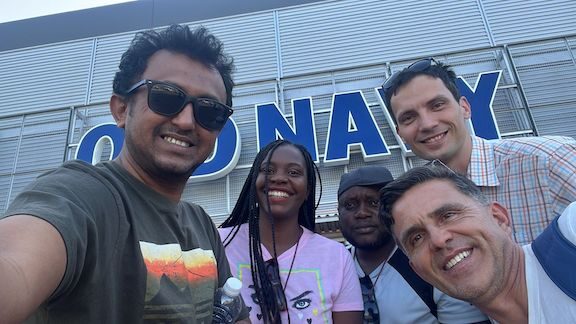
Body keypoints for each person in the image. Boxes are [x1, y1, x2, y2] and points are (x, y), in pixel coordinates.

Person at [0, 24, 250, 323]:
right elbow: (15, 267)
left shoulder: (201, 225)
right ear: (121, 109)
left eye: (210, 110)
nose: (186, 121)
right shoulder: (80, 195)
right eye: (167, 96)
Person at [381, 57, 576, 245]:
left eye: (437, 105)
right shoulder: (419, 200)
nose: (427, 124)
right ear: (401, 134)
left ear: (464, 108)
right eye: (408, 118)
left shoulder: (549, 160)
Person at [379, 164, 576, 323]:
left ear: (498, 218)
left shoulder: (570, 236)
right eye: (417, 238)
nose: (438, 240)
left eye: (448, 215)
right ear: (418, 271)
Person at [219, 139, 364, 323]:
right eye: (268, 170)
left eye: (294, 172)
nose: (279, 178)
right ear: (254, 183)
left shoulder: (337, 257)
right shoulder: (219, 244)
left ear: (307, 190)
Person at [338, 166, 489, 324]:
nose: (362, 213)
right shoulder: (331, 267)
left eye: (374, 203)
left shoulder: (433, 262)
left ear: (391, 213)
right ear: (338, 212)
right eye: (349, 205)